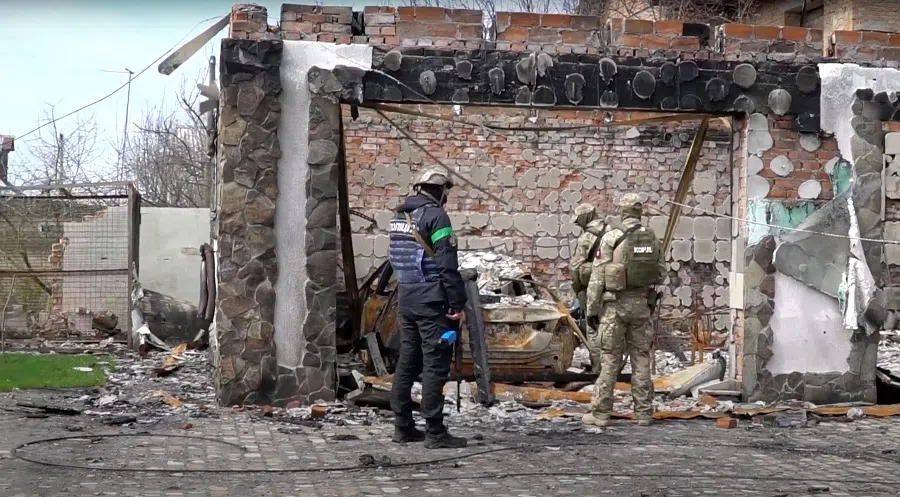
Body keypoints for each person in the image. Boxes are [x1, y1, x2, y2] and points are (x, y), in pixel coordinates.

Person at [388, 167, 468, 449]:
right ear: (440, 190)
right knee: (435, 364)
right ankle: (435, 432)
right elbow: (447, 265)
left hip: (407, 298)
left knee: (407, 362)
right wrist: (457, 304)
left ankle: (403, 427)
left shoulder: (400, 216)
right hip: (433, 301)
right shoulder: (436, 216)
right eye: (446, 191)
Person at [582, 193, 666, 427]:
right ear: (640, 211)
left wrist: (591, 310)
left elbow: (597, 279)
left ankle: (600, 414)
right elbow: (661, 274)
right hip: (641, 307)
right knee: (641, 359)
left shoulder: (611, 237)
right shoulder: (652, 238)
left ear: (622, 211)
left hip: (615, 308)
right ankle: (644, 413)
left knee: (610, 359)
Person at [569, 203, 607, 372]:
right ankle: (612, 367)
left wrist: (577, 289)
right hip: (615, 288)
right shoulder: (613, 231)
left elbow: (575, 268)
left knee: (593, 329)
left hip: (594, 290)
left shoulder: (587, 238)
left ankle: (598, 369)